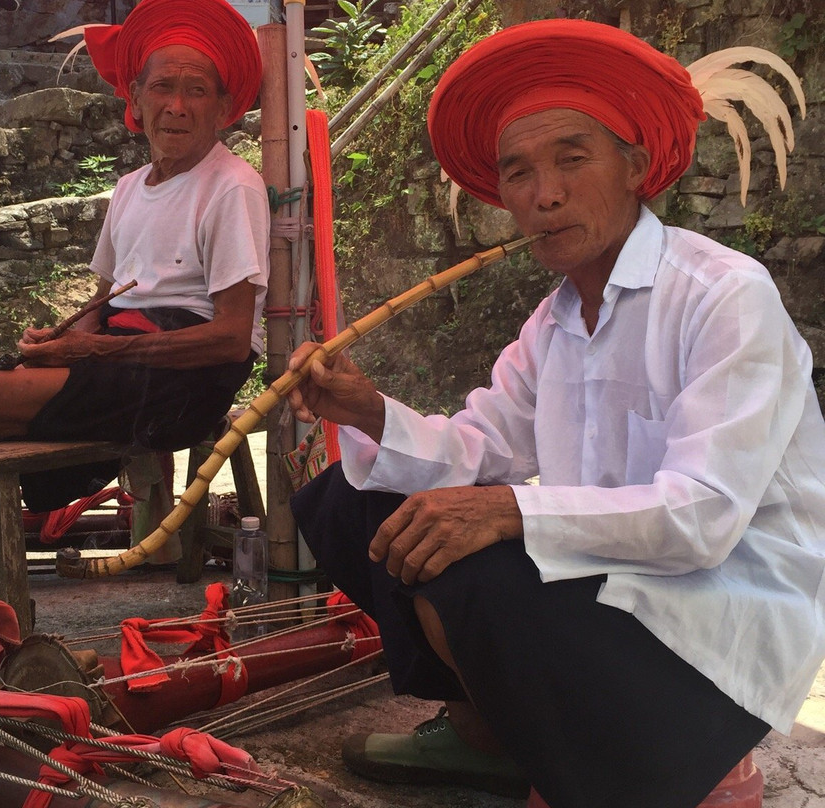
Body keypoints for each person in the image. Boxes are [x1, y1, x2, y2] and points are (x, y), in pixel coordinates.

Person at [286, 19, 825, 808]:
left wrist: (510, 512)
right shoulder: (555, 320)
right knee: (353, 502)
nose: (544, 195)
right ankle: (491, 737)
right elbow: (480, 447)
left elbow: (705, 516)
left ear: (635, 168)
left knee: (475, 575)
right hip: (612, 584)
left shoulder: (723, 295)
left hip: (718, 620)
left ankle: (698, 761)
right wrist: (370, 413)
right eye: (519, 174)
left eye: (572, 159)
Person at [0, 0, 269, 515]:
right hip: (121, 358)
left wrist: (91, 350)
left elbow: (231, 339)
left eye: (197, 90)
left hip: (185, 383)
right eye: (162, 87)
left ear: (223, 109)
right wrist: (64, 339)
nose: (177, 106)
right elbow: (103, 298)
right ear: (136, 97)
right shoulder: (130, 188)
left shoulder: (231, 187)